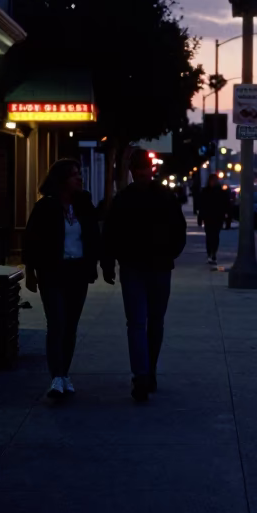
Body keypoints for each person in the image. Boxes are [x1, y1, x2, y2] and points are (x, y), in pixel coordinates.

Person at [101, 147, 187, 402]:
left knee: (144, 323)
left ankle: (145, 372)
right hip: (143, 267)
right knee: (145, 323)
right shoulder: (154, 197)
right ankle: (144, 374)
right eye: (138, 169)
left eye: (143, 169)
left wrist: (108, 263)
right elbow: (111, 234)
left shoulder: (129, 198)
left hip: (147, 267)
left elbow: (111, 233)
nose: (141, 173)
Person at [22, 159, 101, 400]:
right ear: (61, 180)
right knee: (56, 324)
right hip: (53, 272)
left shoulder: (84, 205)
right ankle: (56, 377)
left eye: (79, 174)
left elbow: (94, 235)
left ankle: (65, 374)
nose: (80, 178)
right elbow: (31, 239)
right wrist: (30, 272)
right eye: (74, 175)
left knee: (70, 326)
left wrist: (94, 264)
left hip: (77, 272)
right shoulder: (46, 207)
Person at [198, 175, 230, 266]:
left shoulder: (221, 192)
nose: (213, 182)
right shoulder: (205, 191)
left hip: (217, 217)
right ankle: (210, 254)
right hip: (208, 218)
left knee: (215, 236)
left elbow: (226, 205)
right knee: (209, 236)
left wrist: (227, 219)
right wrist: (200, 218)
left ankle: (213, 253)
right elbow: (202, 205)